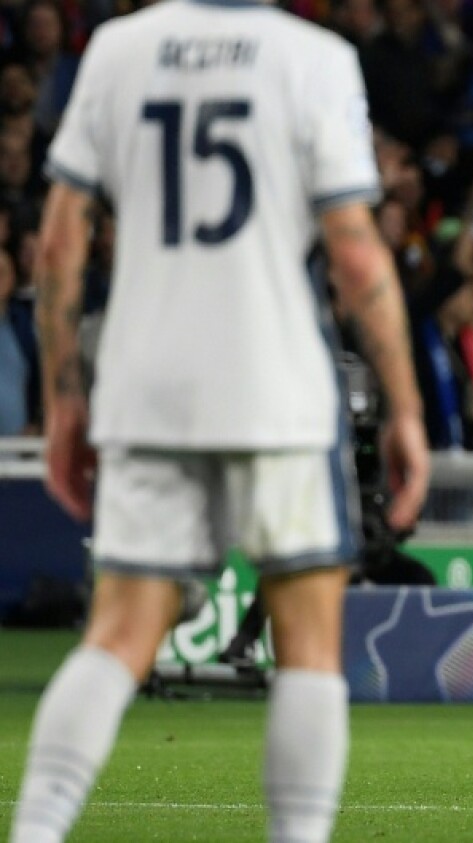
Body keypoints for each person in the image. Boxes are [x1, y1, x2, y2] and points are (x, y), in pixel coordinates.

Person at [11, 3, 431, 842]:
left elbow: (58, 243)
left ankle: (34, 831)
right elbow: (354, 247)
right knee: (308, 640)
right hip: (276, 385)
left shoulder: (116, 52)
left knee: (120, 634)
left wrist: (63, 397)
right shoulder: (314, 58)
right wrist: (405, 407)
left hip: (147, 382)